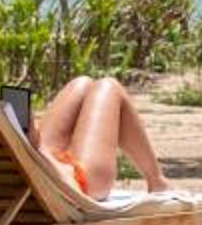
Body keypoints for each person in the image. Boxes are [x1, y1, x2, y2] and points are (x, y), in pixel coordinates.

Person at [26, 74, 173, 199]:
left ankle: (157, 181)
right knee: (109, 86)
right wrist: (38, 145)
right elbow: (34, 143)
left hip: (37, 166)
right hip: (71, 183)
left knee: (81, 84)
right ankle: (157, 182)